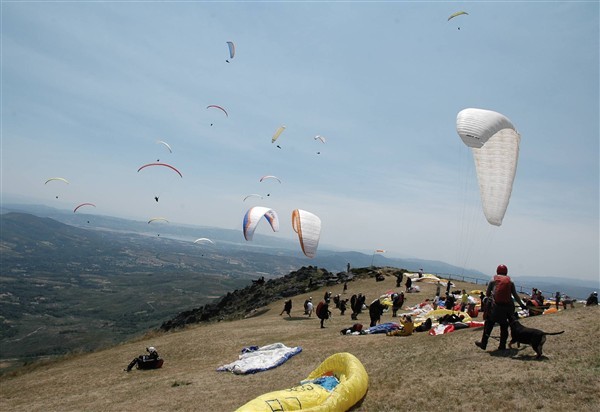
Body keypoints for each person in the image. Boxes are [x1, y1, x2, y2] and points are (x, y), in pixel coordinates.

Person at [475, 264, 526, 352]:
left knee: (489, 324)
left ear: (497, 271)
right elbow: (515, 295)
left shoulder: (493, 279)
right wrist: (521, 305)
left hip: (496, 308)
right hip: (508, 308)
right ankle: (502, 345)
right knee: (504, 326)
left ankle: (483, 343)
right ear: (506, 272)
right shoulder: (510, 281)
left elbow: (487, 294)